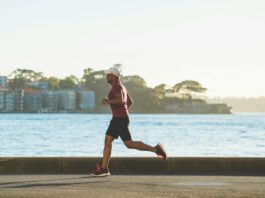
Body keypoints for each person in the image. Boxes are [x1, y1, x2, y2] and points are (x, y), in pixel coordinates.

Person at [90, 67, 167, 177]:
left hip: (119, 119)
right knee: (121, 143)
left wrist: (108, 102)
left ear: (114, 76)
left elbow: (121, 101)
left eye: (108, 75)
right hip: (120, 118)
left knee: (116, 142)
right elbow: (129, 102)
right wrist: (122, 111)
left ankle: (104, 168)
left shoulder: (117, 87)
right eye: (106, 75)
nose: (106, 77)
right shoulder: (122, 87)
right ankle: (156, 150)